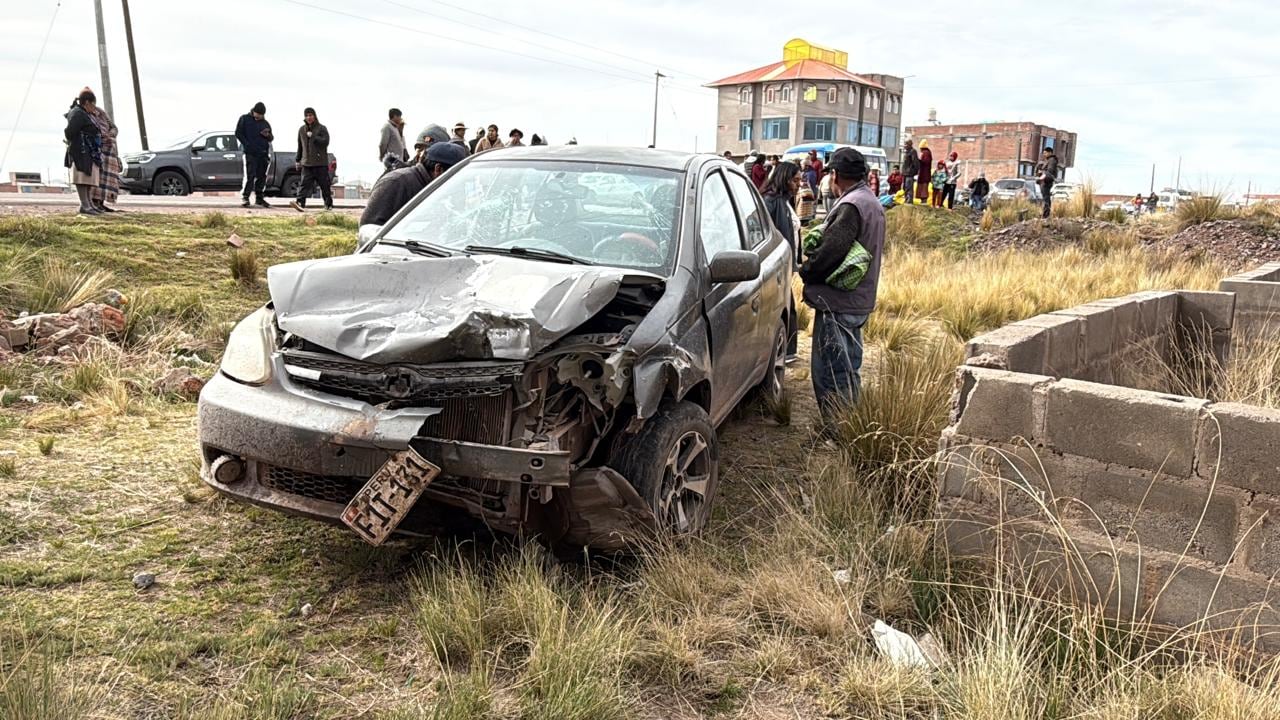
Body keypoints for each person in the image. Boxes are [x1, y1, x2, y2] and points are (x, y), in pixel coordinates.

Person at [798, 147, 885, 431]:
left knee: (831, 373)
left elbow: (831, 251)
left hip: (839, 303)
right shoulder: (869, 201)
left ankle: (837, 431)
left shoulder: (851, 205)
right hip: (857, 301)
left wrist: (807, 271)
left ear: (835, 175)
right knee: (848, 370)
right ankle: (851, 427)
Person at [359, 141, 467, 227]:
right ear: (438, 169)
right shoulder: (395, 183)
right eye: (455, 176)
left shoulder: (434, 189)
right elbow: (369, 229)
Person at [63, 89, 102, 215]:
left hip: (88, 151)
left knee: (88, 178)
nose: (94, 108)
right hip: (81, 151)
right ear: (87, 102)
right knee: (82, 178)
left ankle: (88, 204)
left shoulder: (83, 113)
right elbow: (69, 132)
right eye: (93, 105)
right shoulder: (77, 113)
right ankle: (84, 205)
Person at [289, 107, 332, 212]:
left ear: (315, 116)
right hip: (307, 163)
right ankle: (300, 203)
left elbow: (325, 142)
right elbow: (300, 146)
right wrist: (298, 160)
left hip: (320, 163)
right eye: (307, 115)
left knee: (324, 185)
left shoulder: (322, 128)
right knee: (304, 184)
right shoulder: (301, 130)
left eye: (310, 115)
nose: (309, 117)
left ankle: (328, 204)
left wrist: (314, 137)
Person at [86, 91, 122, 213]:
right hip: (97, 149)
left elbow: (114, 128)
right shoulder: (85, 114)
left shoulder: (101, 113)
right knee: (97, 178)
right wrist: (100, 137)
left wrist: (109, 135)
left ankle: (101, 203)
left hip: (109, 152)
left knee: (107, 180)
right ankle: (94, 203)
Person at [236, 101, 274, 208]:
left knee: (262, 176)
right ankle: (245, 197)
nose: (259, 117)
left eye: (261, 115)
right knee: (250, 175)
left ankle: (259, 198)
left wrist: (267, 135)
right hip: (250, 153)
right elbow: (238, 133)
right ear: (254, 111)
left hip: (263, 153)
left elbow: (271, 138)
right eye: (258, 114)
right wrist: (247, 145)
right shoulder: (244, 119)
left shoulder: (265, 123)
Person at [1036, 146, 1059, 218]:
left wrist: (1041, 173)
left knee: (1046, 198)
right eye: (1043, 153)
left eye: (1045, 153)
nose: (1044, 154)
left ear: (1050, 152)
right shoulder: (1048, 160)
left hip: (1046, 181)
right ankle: (1045, 214)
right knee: (1045, 198)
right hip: (1044, 181)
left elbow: (1049, 171)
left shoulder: (1052, 160)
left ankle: (1046, 215)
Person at [901, 140, 919, 205]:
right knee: (905, 187)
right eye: (904, 144)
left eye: (906, 144)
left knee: (909, 187)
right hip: (905, 173)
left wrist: (914, 171)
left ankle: (909, 201)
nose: (905, 146)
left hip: (909, 173)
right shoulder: (906, 152)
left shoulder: (913, 152)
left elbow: (915, 162)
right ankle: (906, 200)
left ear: (910, 145)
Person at [917, 140, 933, 204]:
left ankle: (924, 200)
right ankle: (922, 200)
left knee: (924, 187)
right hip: (923, 173)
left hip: (924, 174)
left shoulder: (926, 153)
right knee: (922, 187)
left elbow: (926, 162)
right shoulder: (926, 152)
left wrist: (919, 161)